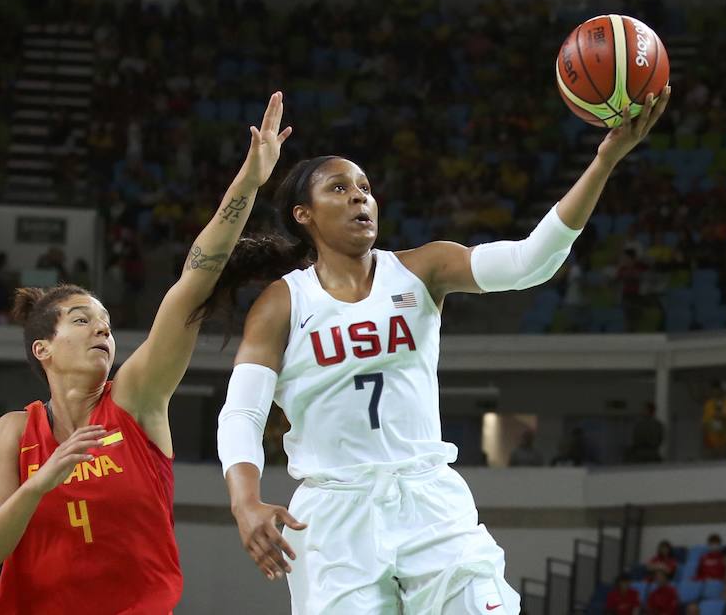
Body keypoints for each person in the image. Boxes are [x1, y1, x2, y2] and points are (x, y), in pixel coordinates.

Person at [216, 90, 670, 614]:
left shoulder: (422, 268)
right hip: (334, 513)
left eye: (365, 187)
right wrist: (244, 501)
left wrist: (603, 161)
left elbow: (530, 262)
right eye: (339, 189)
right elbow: (242, 412)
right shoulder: (282, 302)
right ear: (304, 215)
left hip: (428, 498)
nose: (360, 198)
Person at [0, 93, 292, 614]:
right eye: (82, 319)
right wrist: (39, 485)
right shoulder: (13, 434)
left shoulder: (135, 400)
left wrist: (248, 184)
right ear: (43, 348)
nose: (102, 331)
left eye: (107, 324)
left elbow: (195, 280)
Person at [702, 380, 726, 459]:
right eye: (713, 390)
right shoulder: (708, 405)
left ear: (722, 390)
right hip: (712, 444)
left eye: (718, 389)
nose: (716, 392)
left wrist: (725, 418)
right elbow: (705, 424)